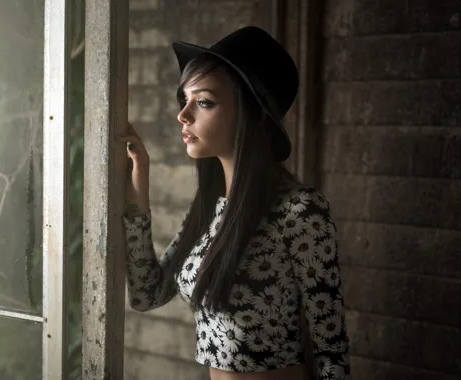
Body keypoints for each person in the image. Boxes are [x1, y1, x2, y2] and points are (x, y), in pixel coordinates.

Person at [119, 26, 350, 380]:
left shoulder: (300, 211)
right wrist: (140, 182)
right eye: (185, 99)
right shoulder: (210, 207)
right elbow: (146, 294)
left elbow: (331, 349)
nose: (184, 114)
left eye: (204, 102)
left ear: (253, 114)